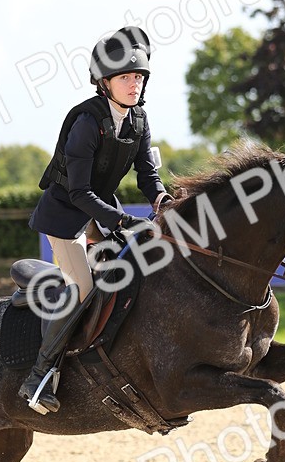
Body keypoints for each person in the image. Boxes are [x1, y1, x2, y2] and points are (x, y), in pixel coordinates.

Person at [19, 25, 172, 412]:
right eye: (125, 78)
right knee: (83, 288)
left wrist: (162, 199)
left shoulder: (139, 120)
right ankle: (39, 376)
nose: (134, 85)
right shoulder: (87, 124)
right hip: (65, 216)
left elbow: (147, 175)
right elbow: (78, 192)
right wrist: (122, 222)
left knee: (134, 273)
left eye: (138, 77)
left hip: (100, 211)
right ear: (105, 83)